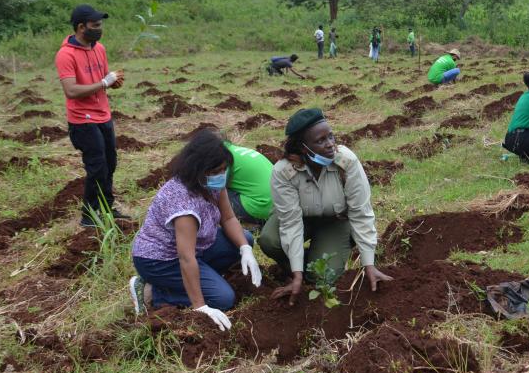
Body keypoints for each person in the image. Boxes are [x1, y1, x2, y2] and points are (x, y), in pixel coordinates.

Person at [258, 108, 393, 306]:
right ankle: (297, 271)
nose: (330, 145)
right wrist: (297, 276)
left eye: (330, 136)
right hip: (300, 218)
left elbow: (361, 213)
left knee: (322, 278)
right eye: (320, 141)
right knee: (270, 240)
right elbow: (291, 223)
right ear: (303, 148)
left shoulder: (346, 162)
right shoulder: (284, 171)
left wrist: (369, 264)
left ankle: (313, 268)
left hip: (335, 221)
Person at [129, 130, 262, 331]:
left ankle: (201, 279)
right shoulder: (184, 206)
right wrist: (200, 306)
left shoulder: (212, 181)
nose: (221, 175)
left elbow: (228, 218)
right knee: (223, 298)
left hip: (196, 246)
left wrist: (245, 249)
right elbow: (186, 258)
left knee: (245, 238)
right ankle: (151, 291)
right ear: (198, 169)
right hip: (160, 260)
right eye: (216, 170)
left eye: (224, 169)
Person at [55, 4, 129, 227]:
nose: (100, 28)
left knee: (110, 163)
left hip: (103, 115)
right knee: (97, 167)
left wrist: (112, 82)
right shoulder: (65, 55)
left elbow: (102, 81)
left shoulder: (100, 49)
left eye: (100, 24)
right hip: (82, 121)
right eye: (95, 25)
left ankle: (107, 207)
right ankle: (88, 215)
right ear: (81, 27)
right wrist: (103, 82)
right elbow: (71, 91)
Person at [225, 141, 273, 231]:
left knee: (215, 193)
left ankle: (248, 224)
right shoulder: (238, 150)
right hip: (279, 207)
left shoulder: (222, 156)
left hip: (261, 208)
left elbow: (215, 189)